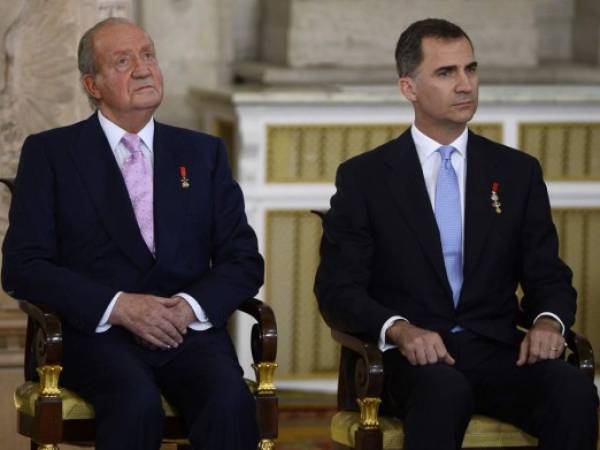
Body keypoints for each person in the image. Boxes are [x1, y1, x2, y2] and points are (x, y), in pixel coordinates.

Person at [315, 18, 598, 450]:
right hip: (411, 360)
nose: (465, 85)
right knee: (445, 391)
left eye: (471, 69)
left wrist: (547, 321)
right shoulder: (366, 177)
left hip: (496, 350)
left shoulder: (516, 172)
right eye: (446, 73)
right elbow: (337, 290)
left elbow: (548, 274)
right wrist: (400, 330)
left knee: (573, 390)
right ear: (409, 88)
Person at [2, 17, 263, 450]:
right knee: (133, 401)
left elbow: (243, 260)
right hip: (95, 334)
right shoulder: (51, 154)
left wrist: (187, 308)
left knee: (228, 401)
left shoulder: (202, 153)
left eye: (148, 55)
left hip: (186, 332)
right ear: (93, 84)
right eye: (123, 61)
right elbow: (23, 267)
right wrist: (119, 307)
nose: (143, 68)